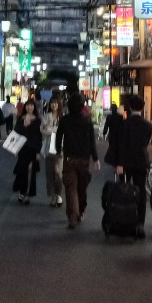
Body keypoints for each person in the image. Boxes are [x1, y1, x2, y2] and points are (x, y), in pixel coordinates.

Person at [56, 93, 100, 229]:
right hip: (84, 158)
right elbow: (92, 141)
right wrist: (95, 158)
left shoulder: (64, 120)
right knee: (82, 187)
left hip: (69, 158)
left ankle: (72, 216)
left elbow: (58, 138)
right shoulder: (87, 121)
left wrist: (59, 151)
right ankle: (81, 211)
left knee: (70, 188)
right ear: (82, 106)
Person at [115, 94, 152, 237]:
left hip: (126, 162)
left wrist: (119, 163)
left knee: (124, 190)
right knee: (141, 192)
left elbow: (121, 145)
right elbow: (145, 144)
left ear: (130, 107)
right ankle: (140, 223)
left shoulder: (125, 124)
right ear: (142, 108)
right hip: (141, 161)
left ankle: (124, 220)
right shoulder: (148, 125)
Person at [12, 97, 43, 203]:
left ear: (34, 107)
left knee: (31, 171)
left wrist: (39, 151)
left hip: (33, 149)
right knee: (22, 171)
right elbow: (16, 133)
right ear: (25, 107)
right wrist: (24, 125)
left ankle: (28, 193)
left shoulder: (38, 121)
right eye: (28, 105)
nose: (30, 107)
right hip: (22, 149)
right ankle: (22, 191)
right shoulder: (21, 119)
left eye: (32, 105)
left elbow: (40, 137)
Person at [41, 96, 63, 207]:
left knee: (58, 172)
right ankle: (53, 195)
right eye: (52, 103)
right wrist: (54, 129)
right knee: (49, 172)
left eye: (56, 103)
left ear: (59, 104)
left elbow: (62, 132)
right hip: (48, 148)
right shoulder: (46, 116)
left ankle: (58, 194)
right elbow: (43, 131)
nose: (54, 105)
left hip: (60, 149)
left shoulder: (62, 117)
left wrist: (50, 128)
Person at [103, 102, 124, 170]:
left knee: (112, 147)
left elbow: (106, 125)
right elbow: (122, 126)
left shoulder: (109, 117)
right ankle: (118, 160)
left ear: (111, 109)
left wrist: (104, 132)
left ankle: (113, 160)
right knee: (118, 147)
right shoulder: (120, 116)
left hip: (112, 135)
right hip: (119, 135)